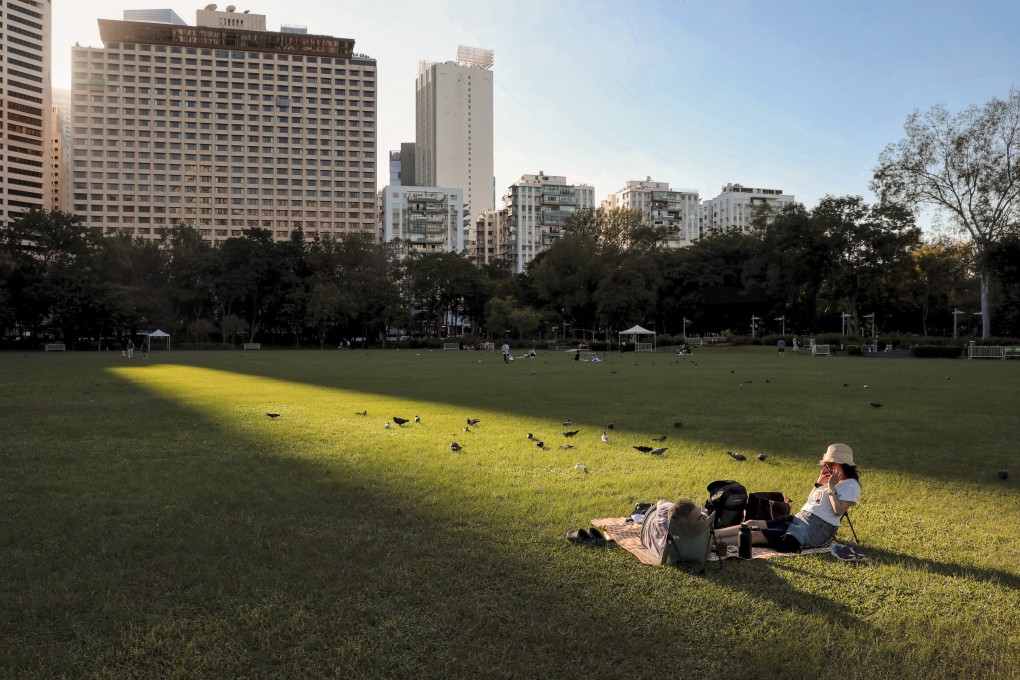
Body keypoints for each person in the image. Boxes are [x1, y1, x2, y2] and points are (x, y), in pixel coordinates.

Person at [715, 443, 861, 553]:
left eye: (831, 465)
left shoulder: (850, 485)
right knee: (751, 522)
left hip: (815, 529)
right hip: (800, 519)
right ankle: (711, 534)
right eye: (826, 465)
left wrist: (831, 487)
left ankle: (711, 543)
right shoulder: (831, 480)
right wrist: (819, 481)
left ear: (843, 465)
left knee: (756, 535)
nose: (828, 468)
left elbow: (838, 510)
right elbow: (811, 500)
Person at [639, 498, 709, 562]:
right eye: (699, 518)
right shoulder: (671, 547)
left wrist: (701, 514)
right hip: (646, 525)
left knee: (666, 505)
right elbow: (705, 551)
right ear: (686, 527)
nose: (704, 517)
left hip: (666, 511)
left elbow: (661, 501)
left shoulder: (671, 512)